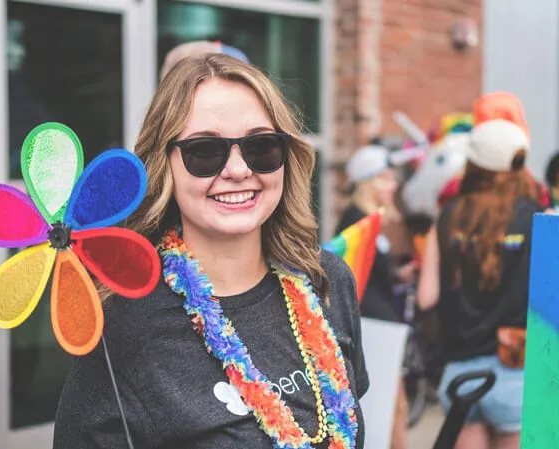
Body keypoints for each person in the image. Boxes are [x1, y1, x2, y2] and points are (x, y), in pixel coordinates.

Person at [53, 53, 368, 449]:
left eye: (262, 146)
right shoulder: (124, 321)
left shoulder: (327, 279)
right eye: (205, 151)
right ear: (163, 165)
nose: (238, 170)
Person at [418, 92, 543, 449]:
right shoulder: (537, 218)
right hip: (516, 373)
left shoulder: (448, 215)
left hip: (460, 375)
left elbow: (427, 297)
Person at [334, 145, 413, 449]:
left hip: (379, 324)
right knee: (389, 409)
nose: (393, 185)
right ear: (368, 182)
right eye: (384, 178)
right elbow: (351, 281)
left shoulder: (370, 221)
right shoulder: (357, 222)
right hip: (371, 328)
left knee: (395, 406)